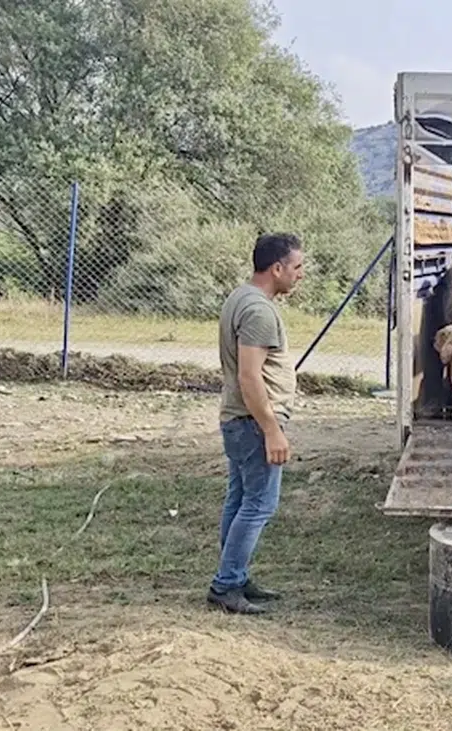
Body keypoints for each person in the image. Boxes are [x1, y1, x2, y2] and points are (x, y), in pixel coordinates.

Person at [207, 232, 305, 614]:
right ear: (276, 268)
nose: (300, 275)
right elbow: (250, 377)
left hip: (239, 418)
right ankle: (226, 584)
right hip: (252, 422)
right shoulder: (260, 311)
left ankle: (235, 575)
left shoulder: (240, 297)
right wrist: (271, 429)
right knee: (260, 504)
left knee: (240, 498)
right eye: (297, 267)